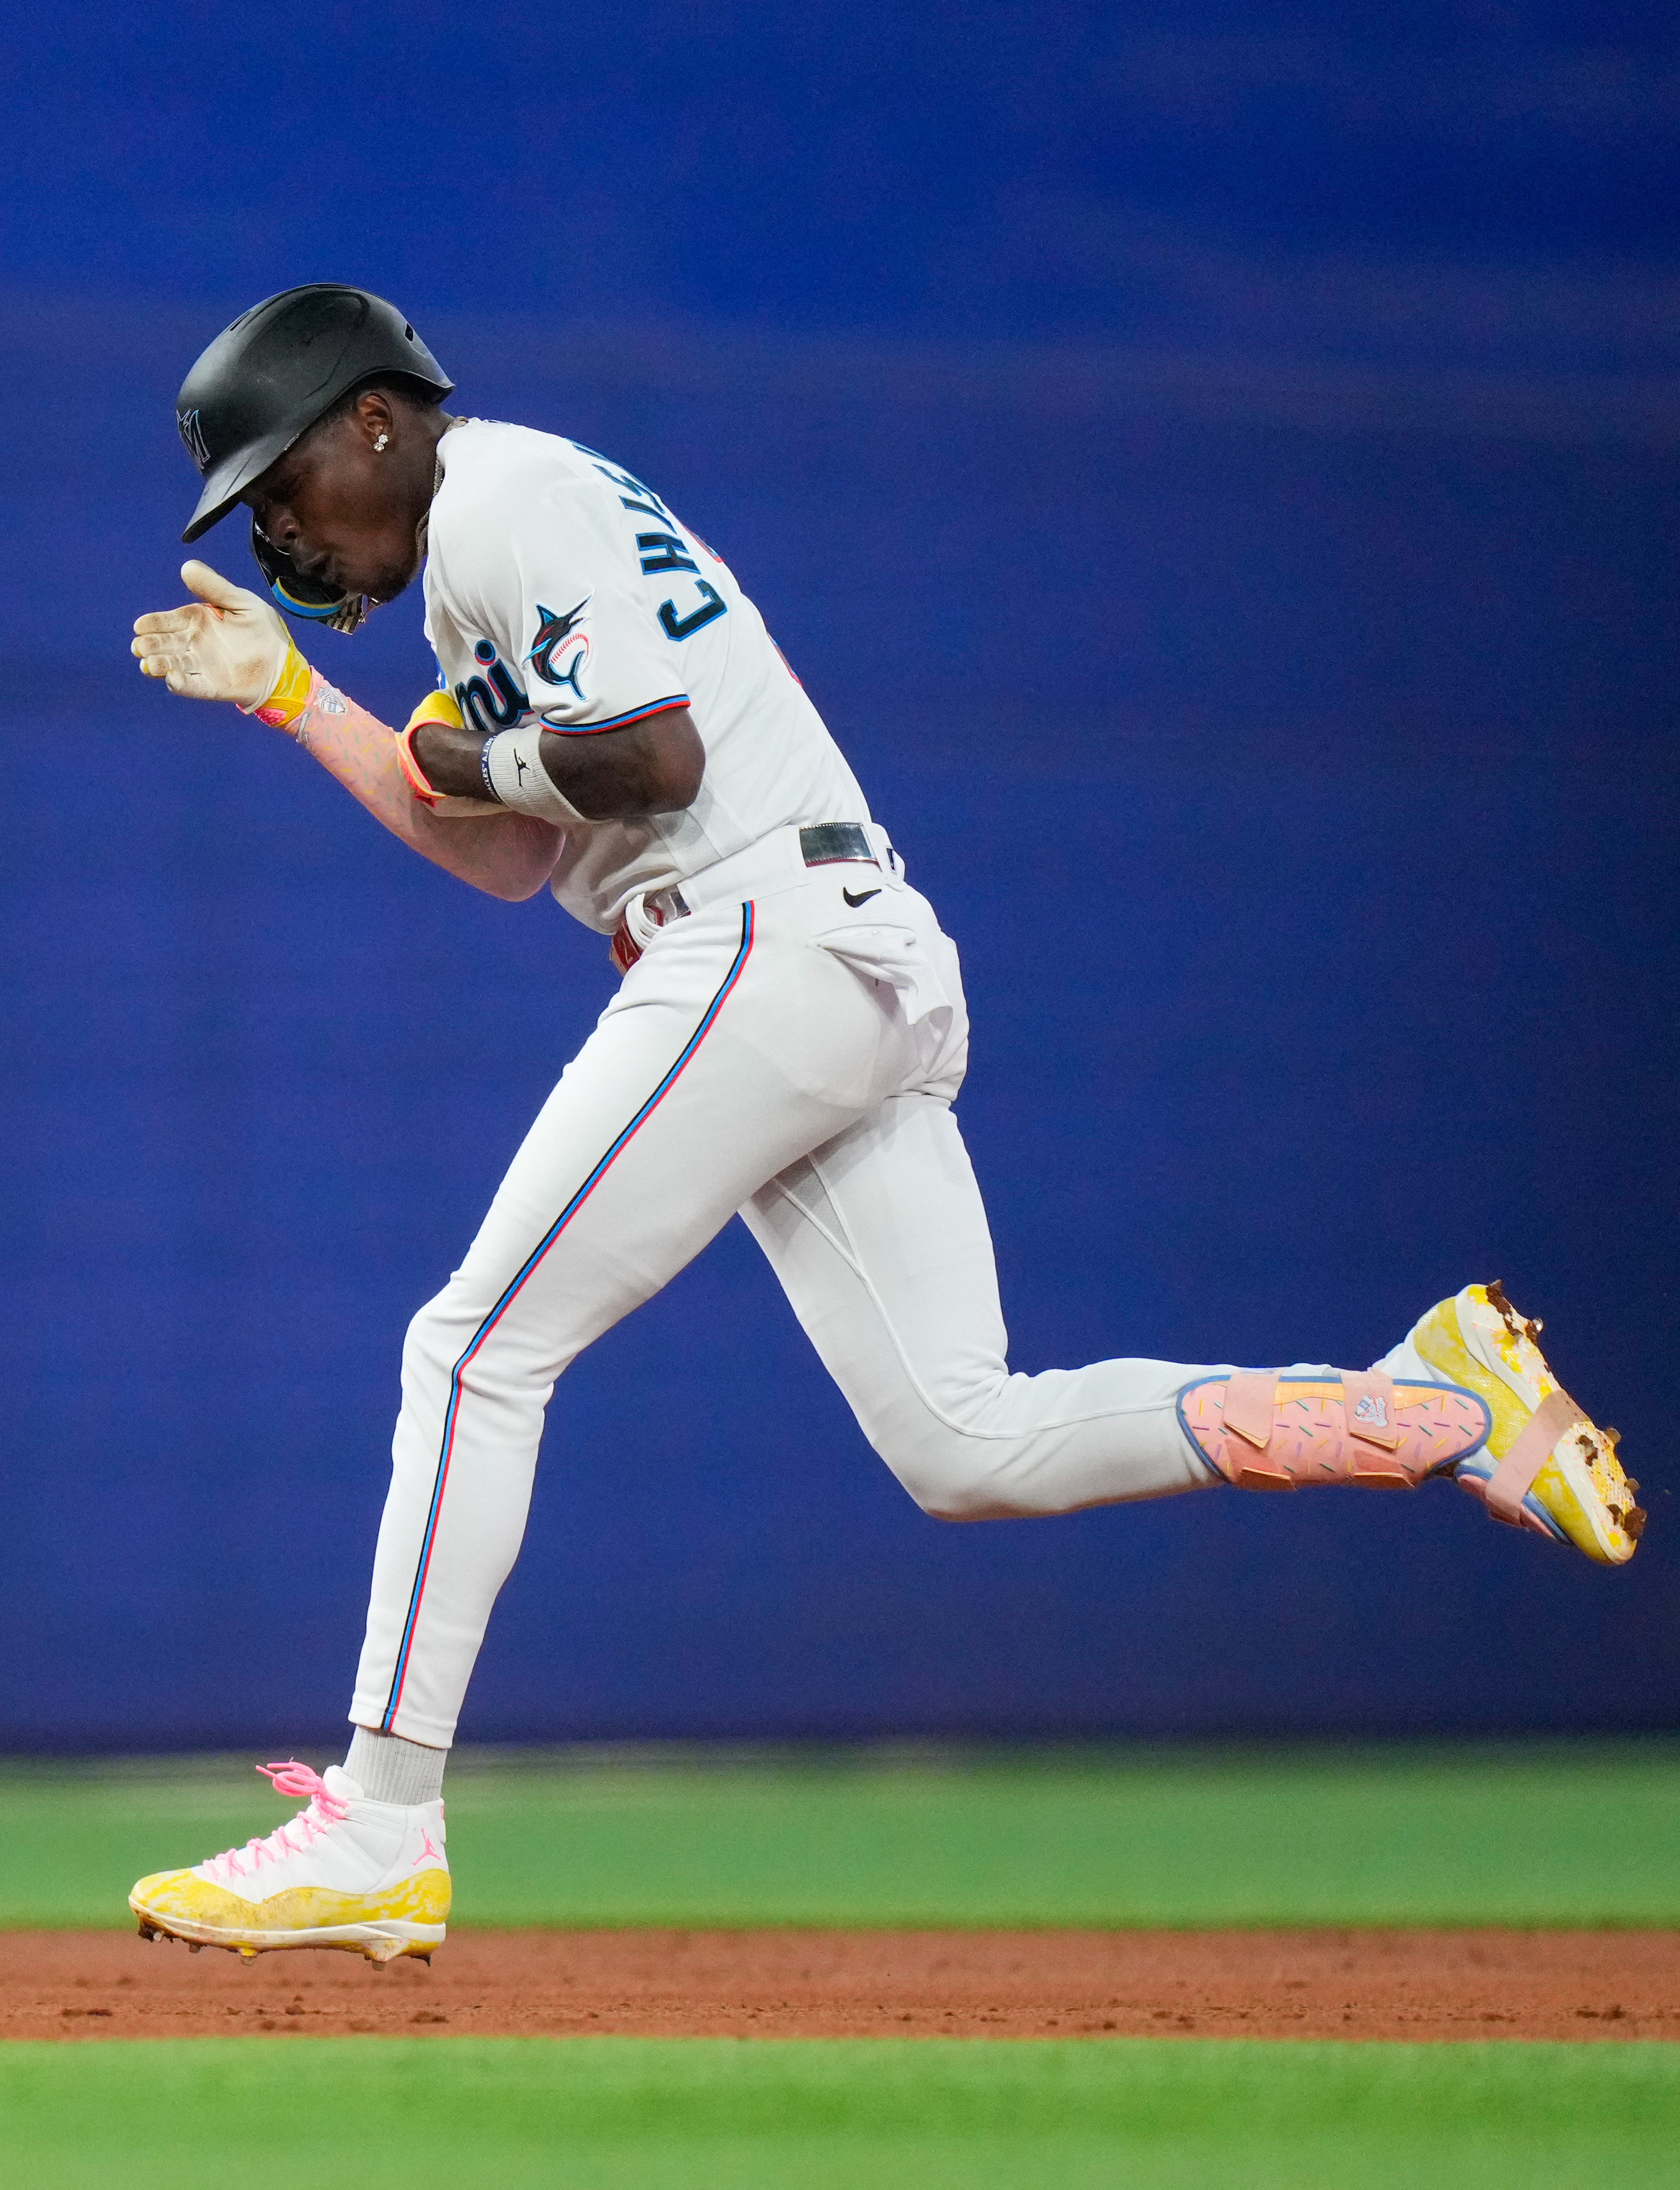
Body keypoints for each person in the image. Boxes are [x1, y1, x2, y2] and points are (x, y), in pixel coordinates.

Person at [126, 286, 1641, 1967]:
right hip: (826, 949)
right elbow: (506, 848)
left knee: (472, 1349)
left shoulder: (502, 498)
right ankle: (1428, 1405)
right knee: (965, 1444)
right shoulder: (482, 546)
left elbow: (650, 757)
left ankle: (381, 1822)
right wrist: (295, 702)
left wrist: (477, 762)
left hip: (756, 939)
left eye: (279, 481)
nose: (277, 526)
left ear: (377, 419)